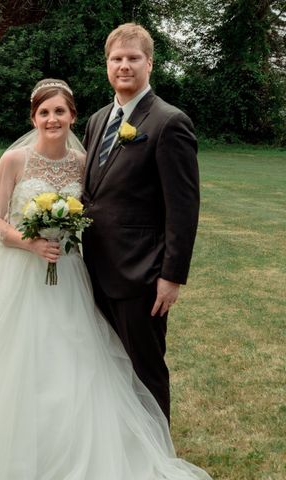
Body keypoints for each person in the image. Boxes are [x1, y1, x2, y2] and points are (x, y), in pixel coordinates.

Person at [0, 79, 211, 479]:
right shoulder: (14, 161)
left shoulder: (82, 161)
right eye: (44, 112)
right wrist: (30, 242)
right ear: (33, 117)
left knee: (77, 357)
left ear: (73, 116)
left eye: (60, 111)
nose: (52, 119)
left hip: (69, 274)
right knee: (11, 363)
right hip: (18, 274)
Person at [82, 23, 200, 421]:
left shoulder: (170, 122)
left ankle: (157, 456)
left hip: (141, 273)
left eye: (133, 58)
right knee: (107, 367)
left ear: (150, 63)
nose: (124, 66)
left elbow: (183, 208)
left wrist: (172, 276)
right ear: (107, 65)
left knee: (145, 372)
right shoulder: (98, 120)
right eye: (117, 59)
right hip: (94, 269)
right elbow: (93, 192)